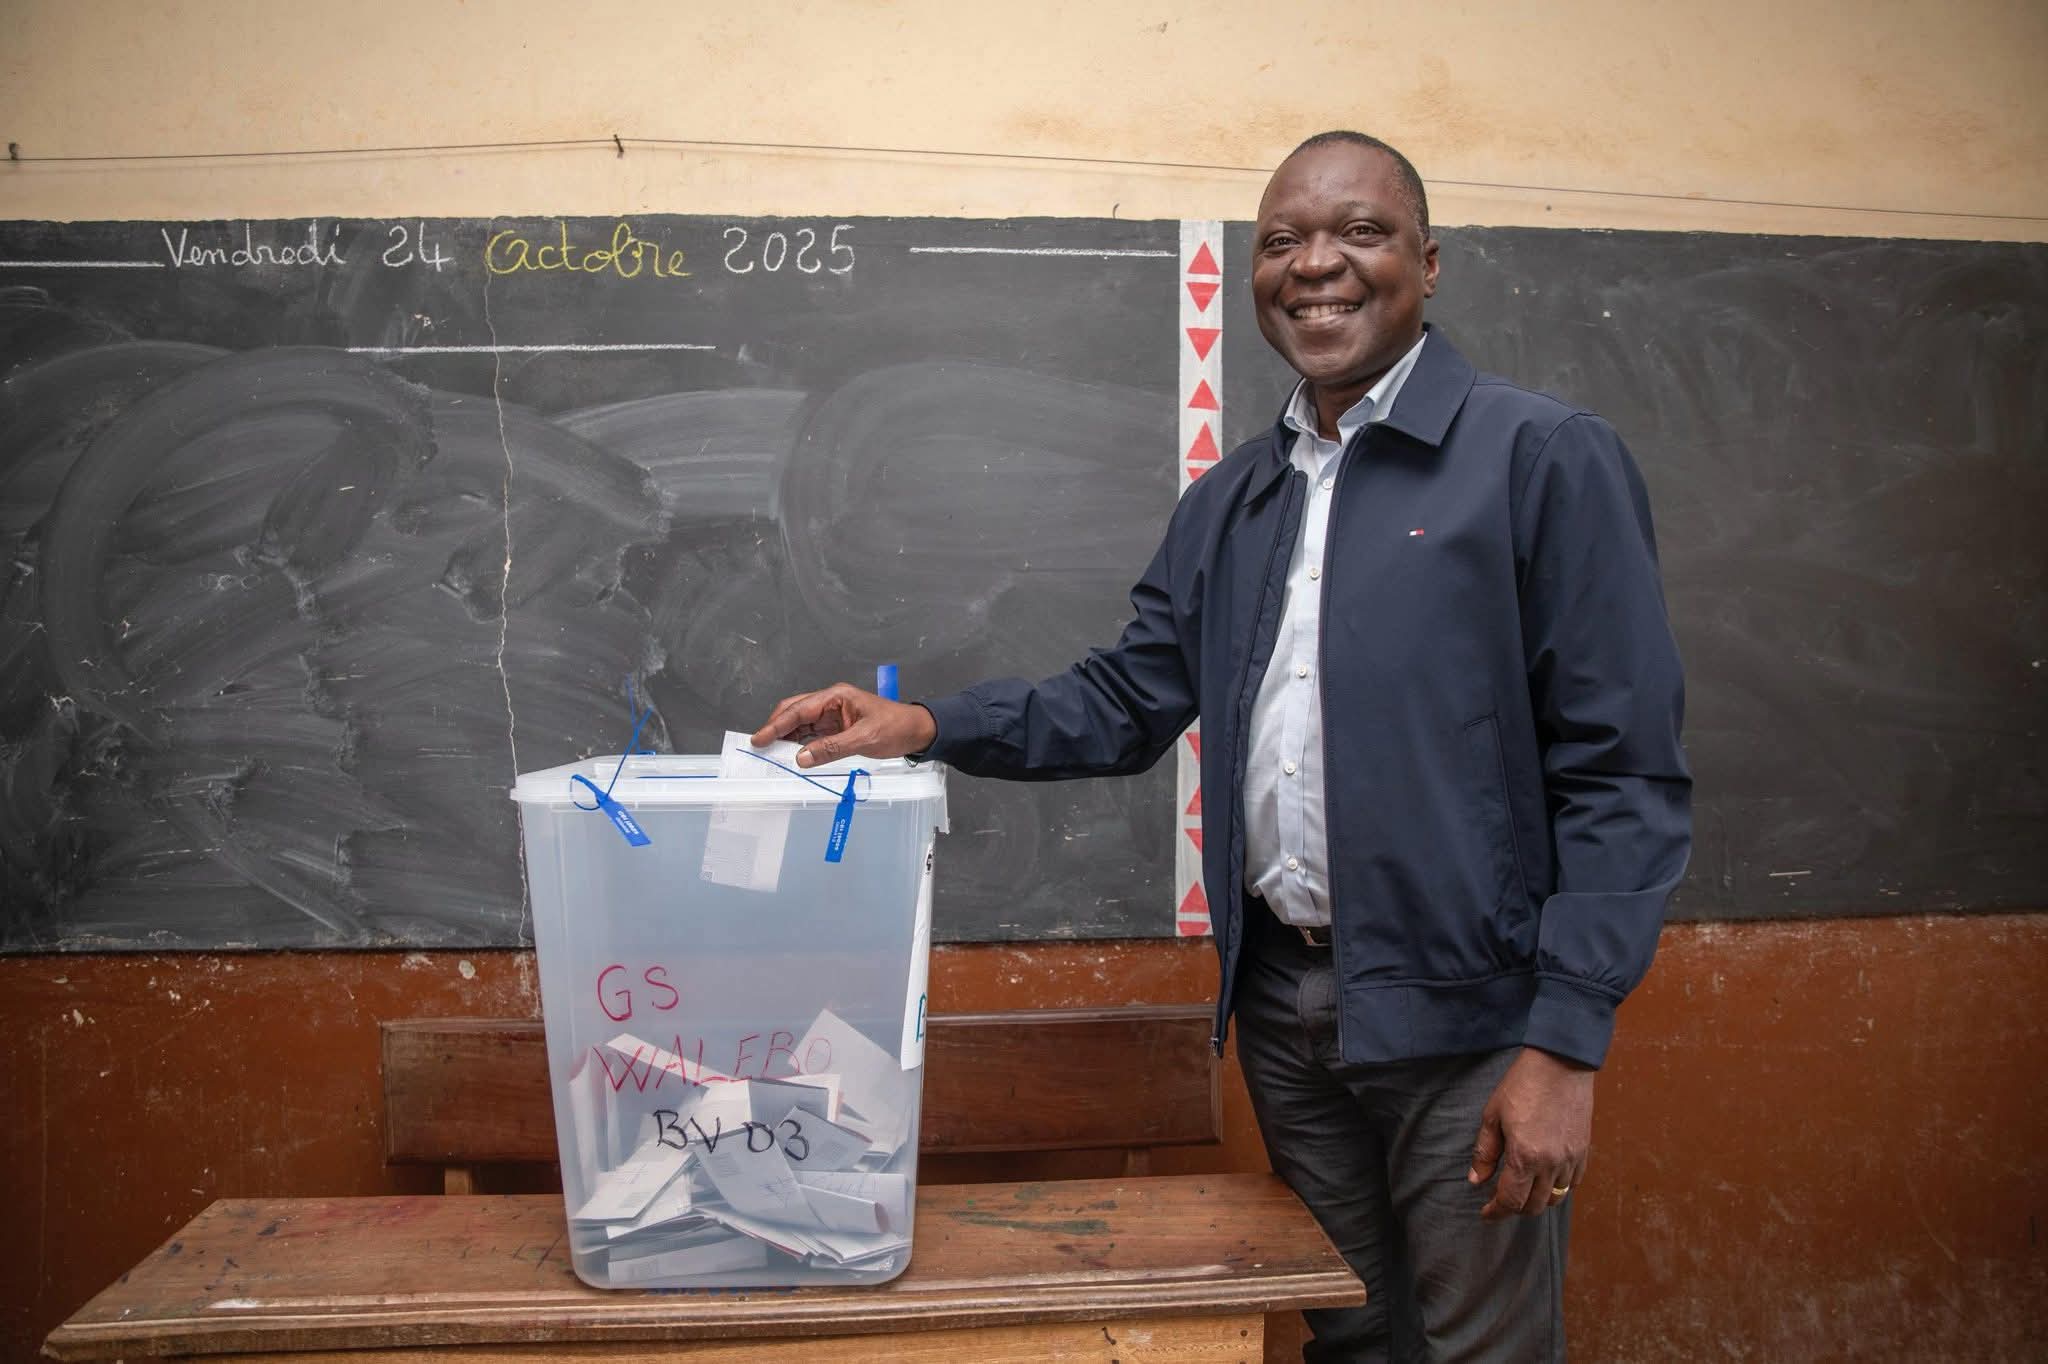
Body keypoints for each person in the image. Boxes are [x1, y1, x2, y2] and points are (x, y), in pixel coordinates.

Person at [752, 130, 1691, 1362]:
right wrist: (926, 723)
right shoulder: (1234, 500)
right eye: (1281, 241)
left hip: (1470, 1018)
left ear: (1428, 260)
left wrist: (1564, 1041)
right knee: (1351, 1337)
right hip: (1288, 1012)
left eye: (1358, 232)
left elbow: (1621, 771)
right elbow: (1123, 698)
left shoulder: (1536, 460)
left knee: (1479, 1351)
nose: (1316, 266)